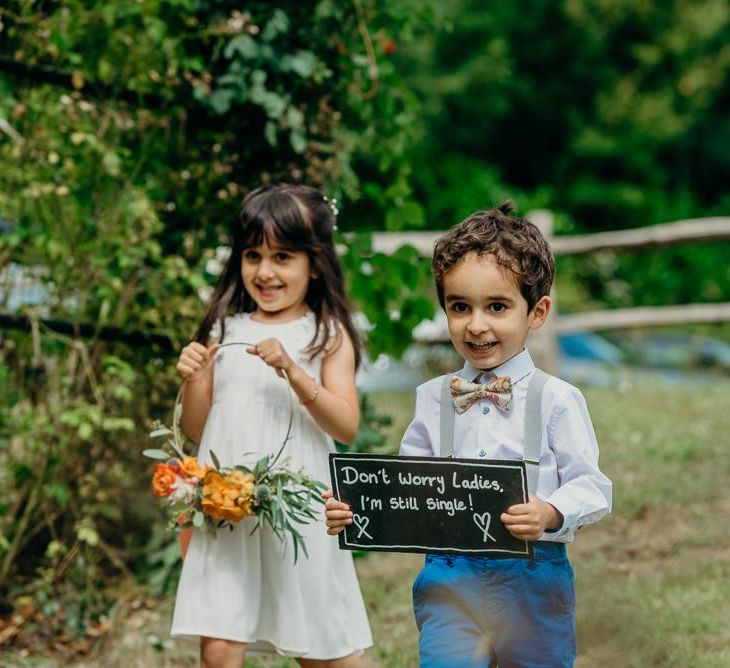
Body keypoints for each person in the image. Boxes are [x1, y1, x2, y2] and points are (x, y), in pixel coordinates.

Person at [325, 201, 612, 667]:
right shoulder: (434, 397)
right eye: (460, 307)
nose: (476, 325)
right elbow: (408, 487)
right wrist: (357, 506)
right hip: (450, 576)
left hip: (534, 575)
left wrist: (551, 510)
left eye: (497, 307)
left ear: (536, 312)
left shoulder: (557, 399)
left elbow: (593, 486)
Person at [171, 184, 373, 668]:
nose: (265, 271)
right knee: (219, 639)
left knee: (320, 640)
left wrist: (293, 371)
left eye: (282, 256)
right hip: (228, 501)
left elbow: (345, 425)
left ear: (314, 262)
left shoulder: (326, 334)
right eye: (253, 255)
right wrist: (197, 379)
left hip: (297, 505)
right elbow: (200, 430)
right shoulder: (225, 329)